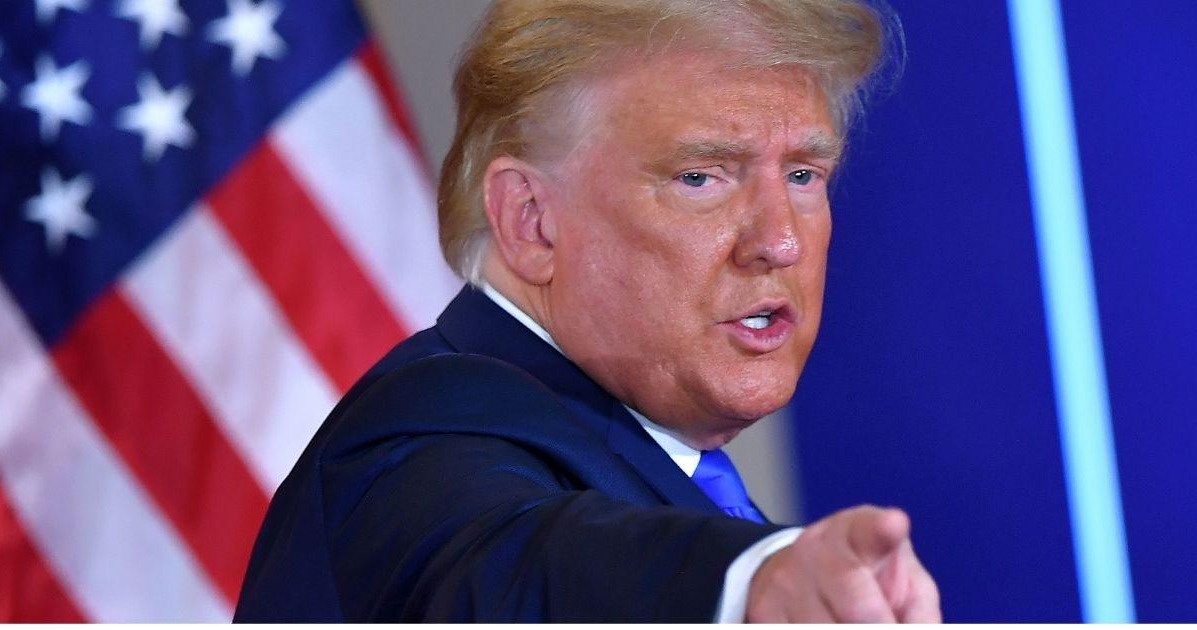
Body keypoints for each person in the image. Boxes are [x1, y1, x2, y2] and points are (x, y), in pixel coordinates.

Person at [234, 0, 939, 622]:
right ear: (531, 220)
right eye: (699, 177)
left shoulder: (650, 455)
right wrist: (753, 582)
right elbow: (518, 564)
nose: (779, 241)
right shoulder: (429, 428)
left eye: (802, 175)